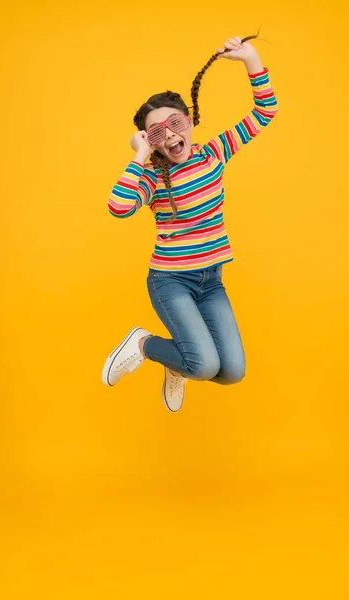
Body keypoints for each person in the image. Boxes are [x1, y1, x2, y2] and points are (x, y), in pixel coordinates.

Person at [102, 35, 279, 412]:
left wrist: (251, 59)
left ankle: (174, 361)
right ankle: (144, 344)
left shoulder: (215, 153)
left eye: (174, 123)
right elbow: (118, 208)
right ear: (150, 142)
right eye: (155, 133)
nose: (168, 135)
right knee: (204, 364)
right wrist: (141, 155)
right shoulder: (150, 177)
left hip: (211, 280)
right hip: (172, 282)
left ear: (189, 119)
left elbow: (265, 111)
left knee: (231, 371)